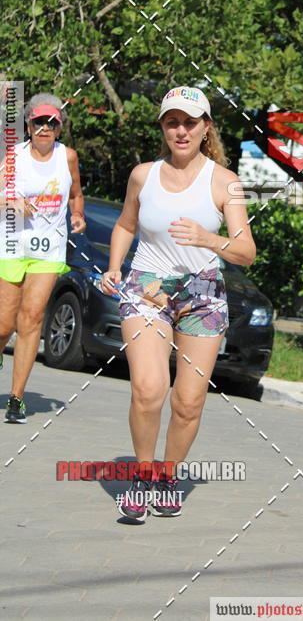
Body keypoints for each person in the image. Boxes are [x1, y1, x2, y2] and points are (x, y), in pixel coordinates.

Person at [102, 86, 255, 520]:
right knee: (149, 389)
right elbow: (125, 224)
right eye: (173, 121)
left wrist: (209, 238)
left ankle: (169, 476)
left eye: (190, 121)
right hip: (147, 287)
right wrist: (115, 266)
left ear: (206, 127)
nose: (181, 130)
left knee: (188, 403)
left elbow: (246, 252)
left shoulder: (227, 183)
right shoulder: (142, 174)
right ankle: (142, 476)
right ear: (163, 127)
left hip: (203, 291)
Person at [0, 93, 85, 422]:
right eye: (39, 122)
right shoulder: (13, 157)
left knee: (32, 317)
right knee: (4, 324)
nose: (45, 128)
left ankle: (17, 398)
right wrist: (13, 205)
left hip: (48, 249)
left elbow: (76, 195)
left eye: (52, 122)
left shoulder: (68, 157)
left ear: (60, 127)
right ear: (29, 124)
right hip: (12, 245)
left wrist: (77, 214)